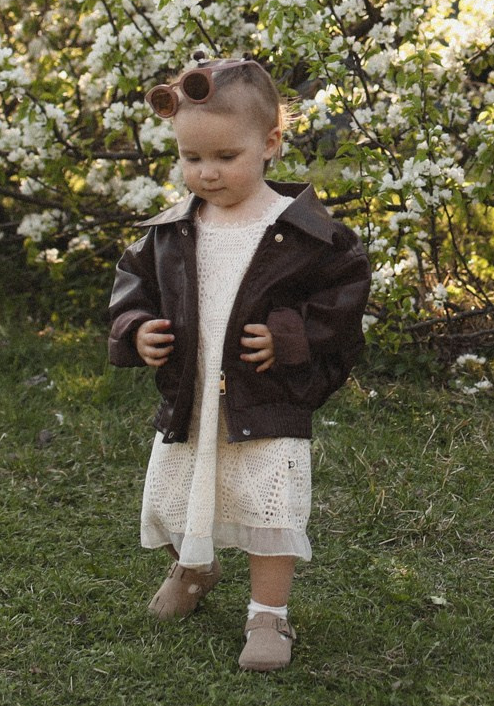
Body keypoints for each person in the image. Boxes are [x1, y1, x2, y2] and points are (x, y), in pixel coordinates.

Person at [107, 58, 372, 669]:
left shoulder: (301, 233)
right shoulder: (170, 231)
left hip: (264, 395)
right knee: (185, 489)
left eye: (226, 157)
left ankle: (269, 617)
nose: (206, 173)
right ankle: (195, 568)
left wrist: (289, 336)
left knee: (267, 504)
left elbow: (343, 296)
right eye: (191, 158)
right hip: (193, 394)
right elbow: (134, 288)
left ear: (271, 142)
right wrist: (137, 329)